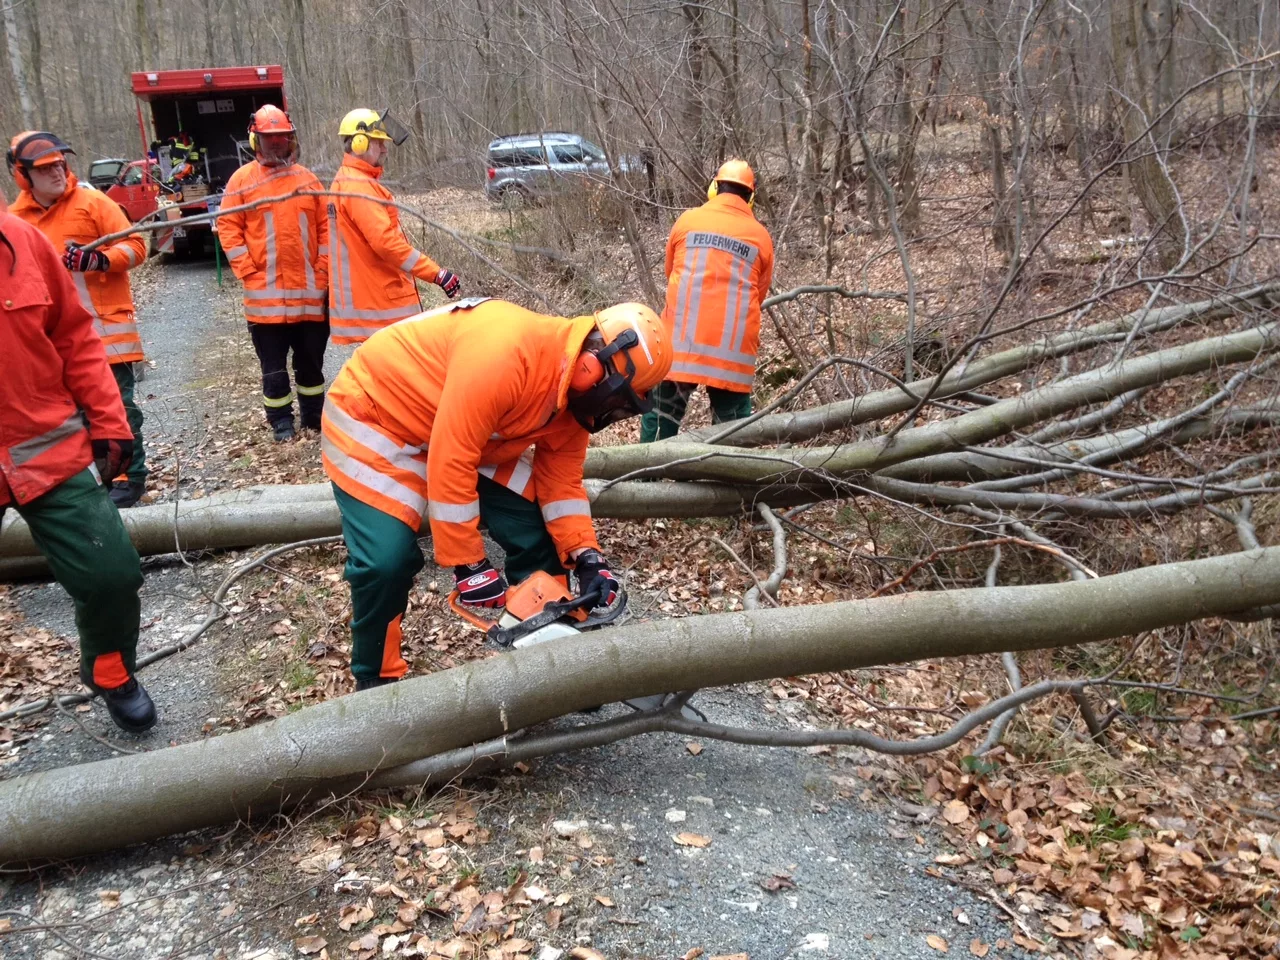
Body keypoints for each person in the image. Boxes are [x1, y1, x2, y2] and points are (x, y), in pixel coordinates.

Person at [321, 298, 671, 690]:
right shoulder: (506, 353)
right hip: (376, 417)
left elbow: (561, 484)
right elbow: (451, 457)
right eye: (617, 400)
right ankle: (376, 677)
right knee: (386, 562)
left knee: (535, 525)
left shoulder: (572, 399)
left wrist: (587, 555)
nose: (612, 411)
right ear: (593, 365)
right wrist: (469, 564)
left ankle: (553, 646)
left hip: (460, 432)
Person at [0, 187, 156, 732]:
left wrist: (109, 420)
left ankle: (111, 670)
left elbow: (74, 337)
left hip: (46, 447)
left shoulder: (20, 241)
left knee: (112, 573)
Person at [7, 130, 151, 507]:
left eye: (60, 164)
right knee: (70, 418)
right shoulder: (14, 223)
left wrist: (99, 260)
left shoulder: (93, 202)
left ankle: (129, 476)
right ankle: (91, 479)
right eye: (45, 168)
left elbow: (137, 245)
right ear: (22, 175)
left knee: (119, 408)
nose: (57, 172)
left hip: (108, 332)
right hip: (52, 345)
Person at [639, 159, 774, 442]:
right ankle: (726, 470)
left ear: (714, 187)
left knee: (661, 419)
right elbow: (759, 295)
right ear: (751, 197)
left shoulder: (687, 221)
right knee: (732, 433)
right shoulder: (761, 237)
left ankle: (648, 467)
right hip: (732, 357)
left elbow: (670, 272)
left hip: (680, 348)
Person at [218, 105, 330, 442]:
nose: (277, 143)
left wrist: (322, 269)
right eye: (269, 138)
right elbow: (228, 228)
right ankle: (281, 423)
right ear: (256, 140)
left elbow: (327, 228)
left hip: (310, 298)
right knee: (274, 370)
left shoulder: (308, 180)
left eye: (282, 137)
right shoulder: (242, 181)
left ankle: (314, 419)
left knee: (311, 365)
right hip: (265, 304)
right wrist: (248, 271)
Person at [326, 108, 461, 345]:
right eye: (379, 143)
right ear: (359, 143)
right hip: (379, 305)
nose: (385, 149)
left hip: (373, 303)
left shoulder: (350, 181)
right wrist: (436, 273)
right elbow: (386, 243)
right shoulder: (358, 187)